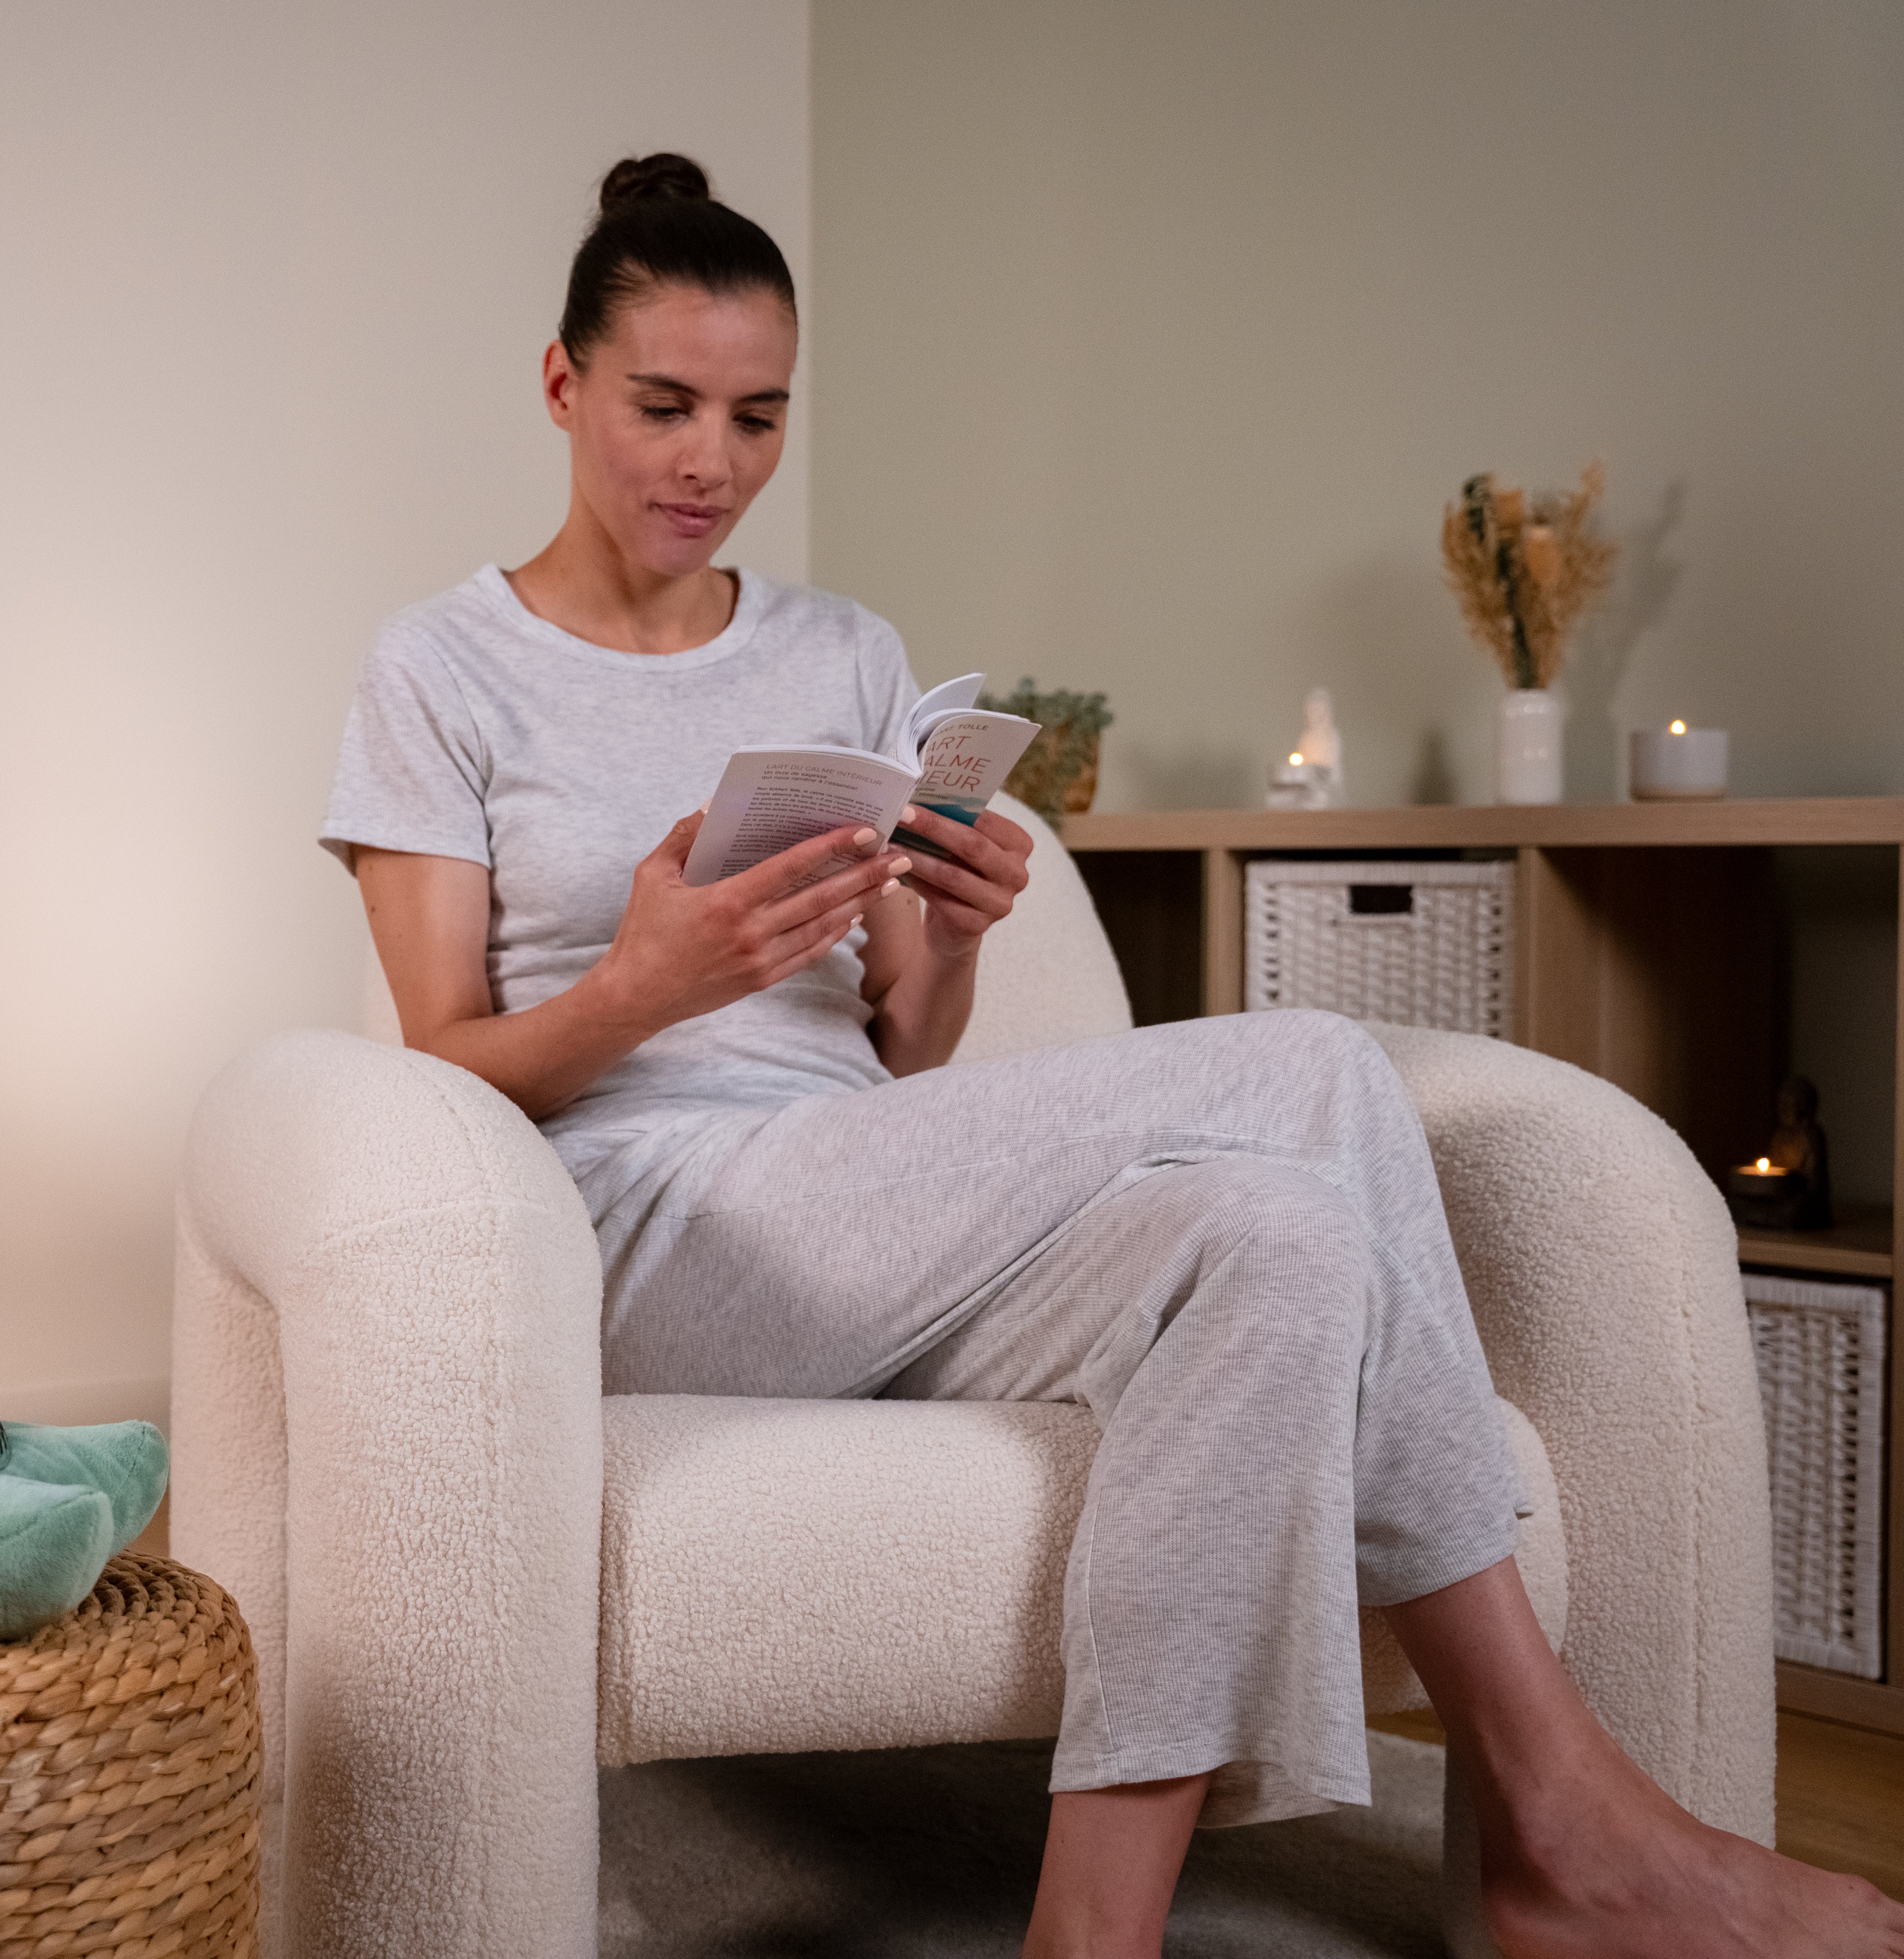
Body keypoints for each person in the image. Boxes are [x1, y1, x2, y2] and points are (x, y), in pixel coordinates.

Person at [318, 152, 1904, 1959]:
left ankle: (1094, 1930)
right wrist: (644, 985)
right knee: (1312, 1071)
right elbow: (435, 1076)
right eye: (663, 406)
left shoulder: (844, 649)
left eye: (759, 418)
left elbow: (906, 1050)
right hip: (640, 1232)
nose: (712, 462)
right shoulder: (440, 667)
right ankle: (1562, 1804)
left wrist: (955, 933)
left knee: (1283, 1240)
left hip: (862, 1207)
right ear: (562, 385)